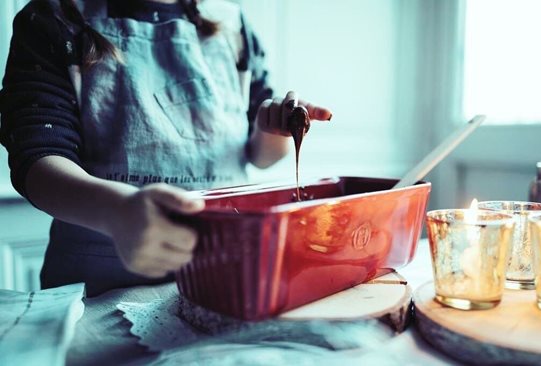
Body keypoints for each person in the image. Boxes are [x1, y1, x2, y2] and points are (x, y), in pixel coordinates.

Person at [0, 0, 332, 296]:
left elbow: (261, 157)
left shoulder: (232, 23)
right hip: (100, 287)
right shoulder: (53, 17)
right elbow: (38, 162)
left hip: (226, 278)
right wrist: (118, 212)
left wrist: (271, 129)